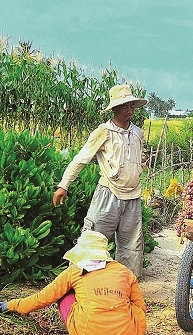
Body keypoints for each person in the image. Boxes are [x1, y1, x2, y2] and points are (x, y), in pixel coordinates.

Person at [52, 84, 147, 278]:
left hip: (133, 197)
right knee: (93, 241)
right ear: (114, 109)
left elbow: (139, 159)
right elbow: (81, 158)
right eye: (124, 107)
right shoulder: (104, 132)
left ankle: (125, 287)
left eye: (131, 106)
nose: (129, 111)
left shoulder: (137, 133)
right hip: (108, 195)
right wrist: (64, 185)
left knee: (131, 247)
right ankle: (83, 283)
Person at [0, 230, 147, 335]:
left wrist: (11, 305)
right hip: (130, 331)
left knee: (63, 293)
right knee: (128, 301)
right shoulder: (124, 271)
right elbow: (140, 307)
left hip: (87, 331)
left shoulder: (74, 271)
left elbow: (42, 298)